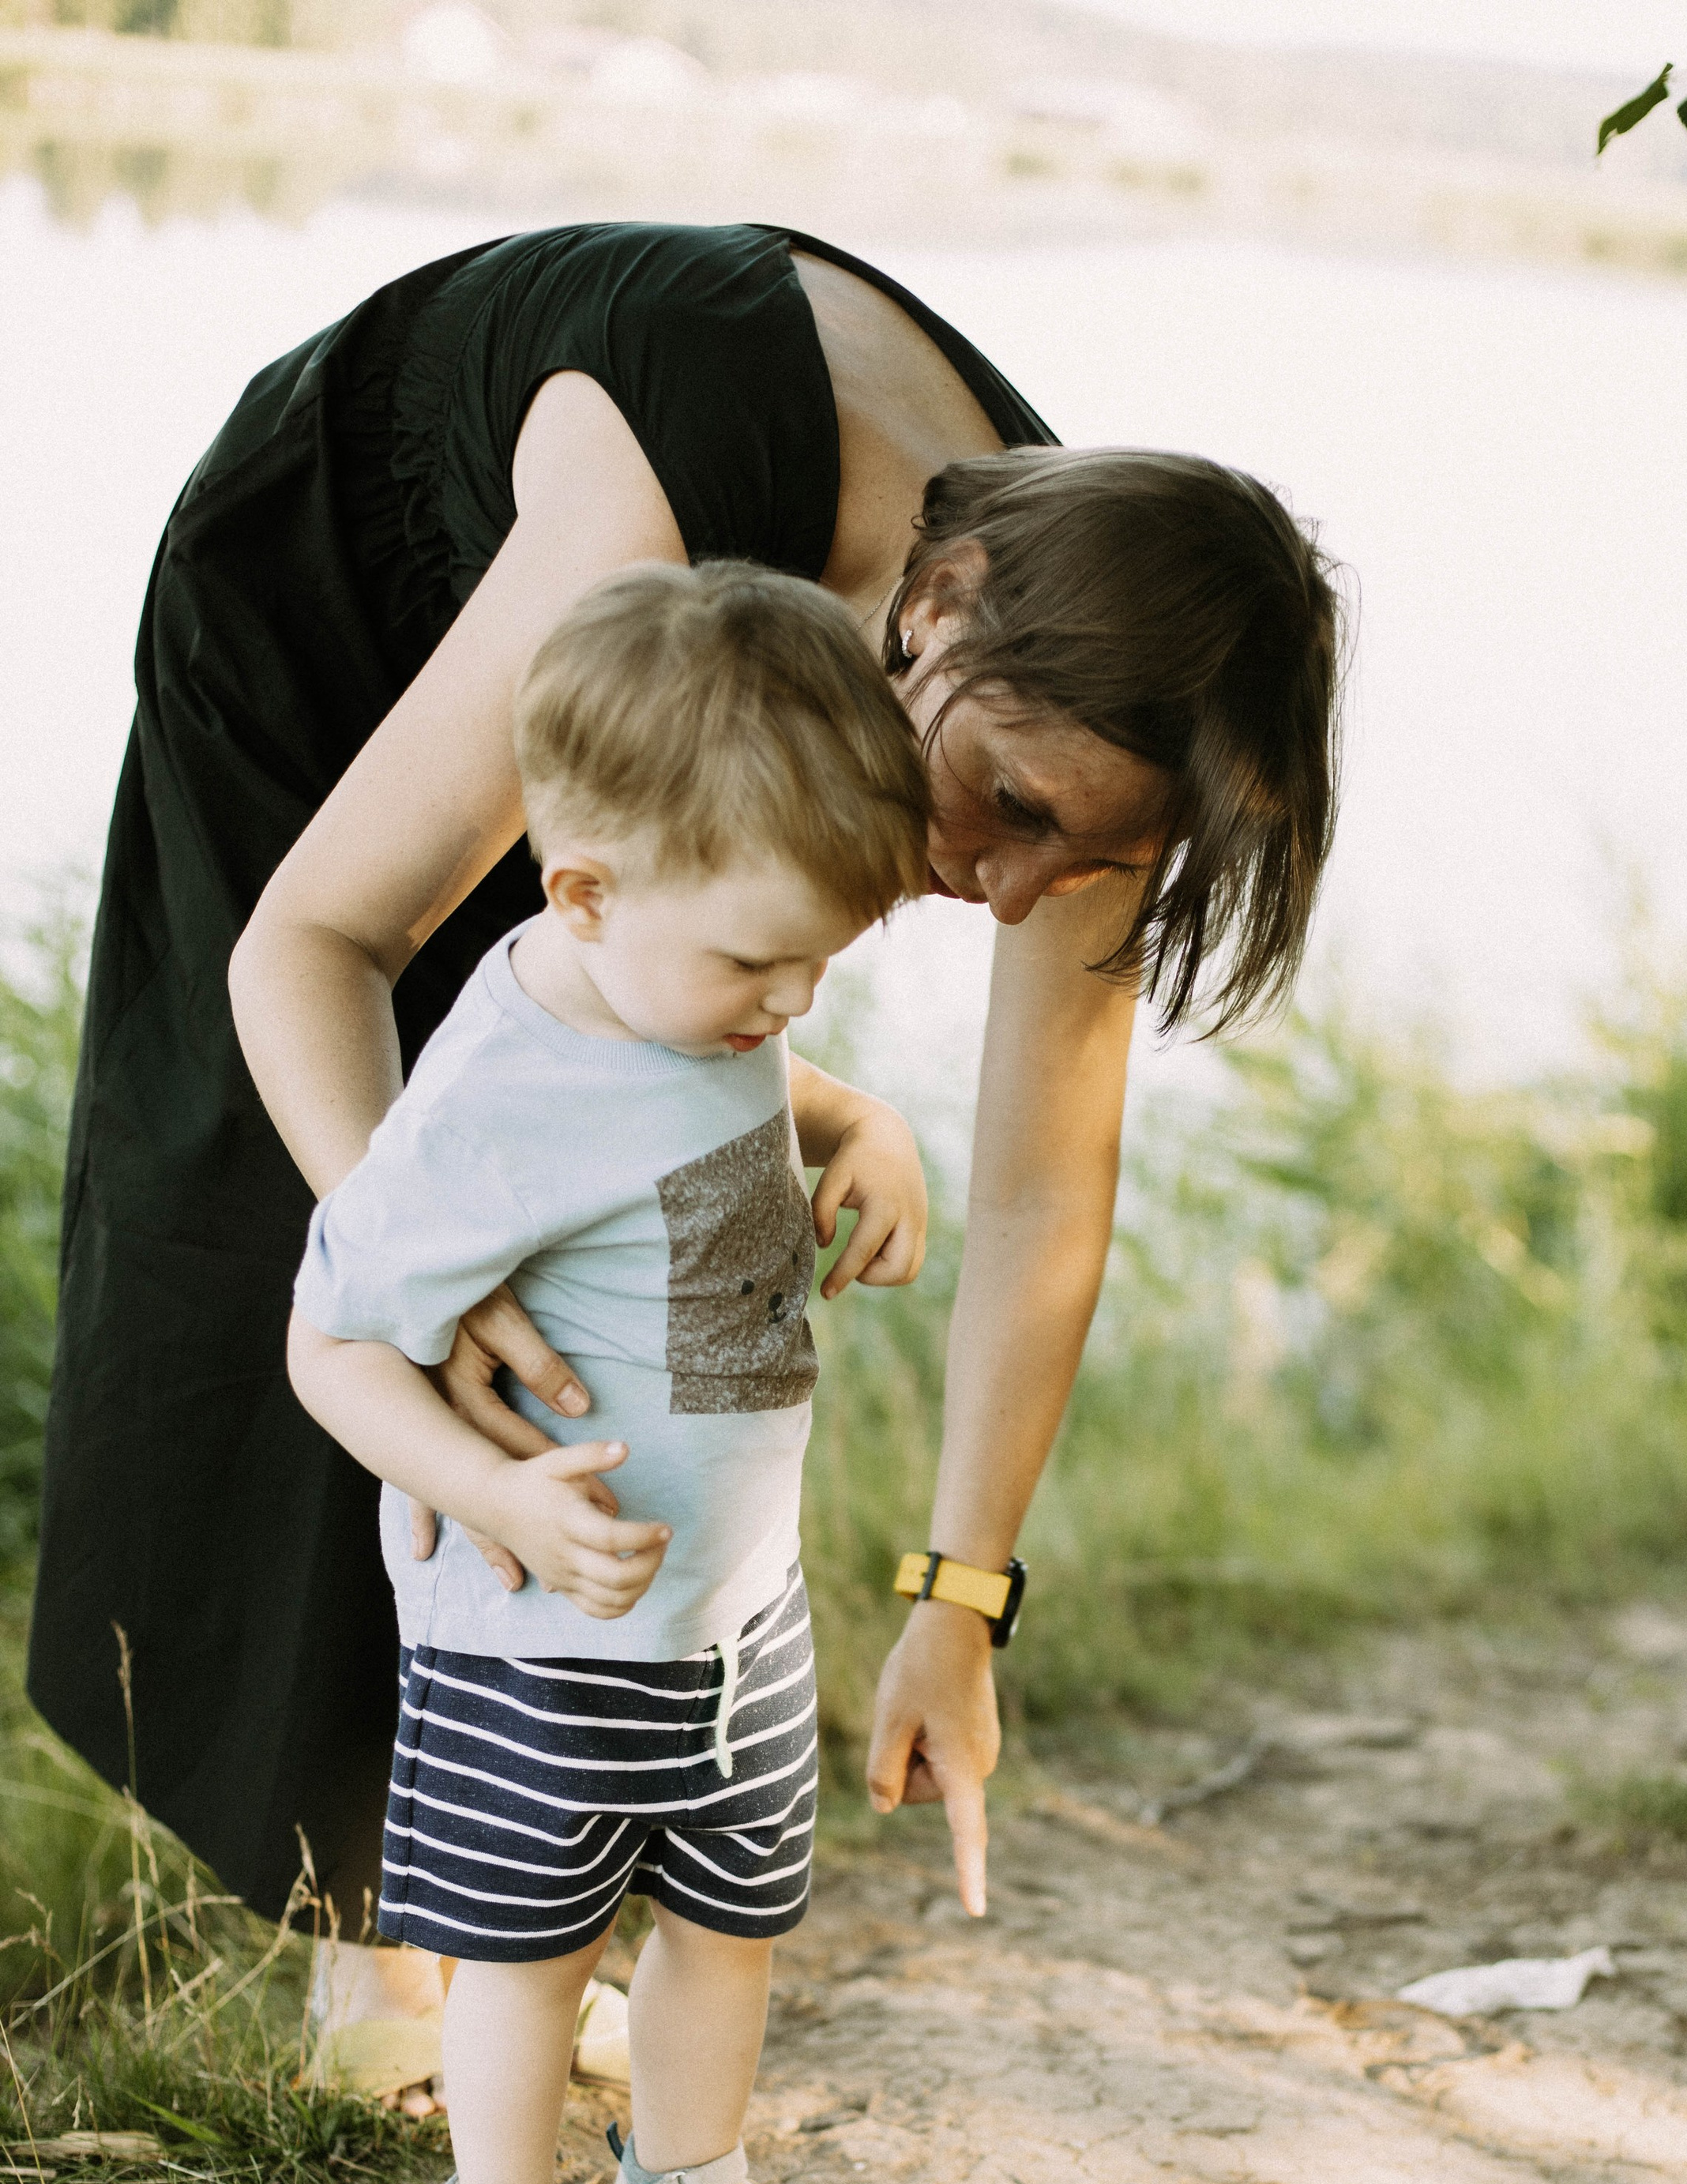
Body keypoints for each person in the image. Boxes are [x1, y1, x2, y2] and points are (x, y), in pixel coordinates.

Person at [28, 223, 1341, 2037]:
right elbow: (315, 944)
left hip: (670, 709)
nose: (1007, 884)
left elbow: (1041, 1201)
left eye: (1089, 860)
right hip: (345, 597)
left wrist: (957, 1608)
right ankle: (385, 1952)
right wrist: (408, 1253)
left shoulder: (1126, 701)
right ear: (937, 607)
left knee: (638, 1216)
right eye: (1008, 807)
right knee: (340, 1230)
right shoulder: (700, 494)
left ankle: (543, 1877)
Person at [290, 559, 922, 2184]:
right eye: (759, 962)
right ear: (581, 890)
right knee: (528, 1953)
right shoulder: (498, 1092)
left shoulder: (688, 994)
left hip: (735, 1608)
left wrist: (856, 1115)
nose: (786, 997)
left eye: (820, 964)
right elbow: (326, 1342)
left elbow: (737, 1070)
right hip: (538, 1636)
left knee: (730, 1919)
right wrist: (486, 1497)